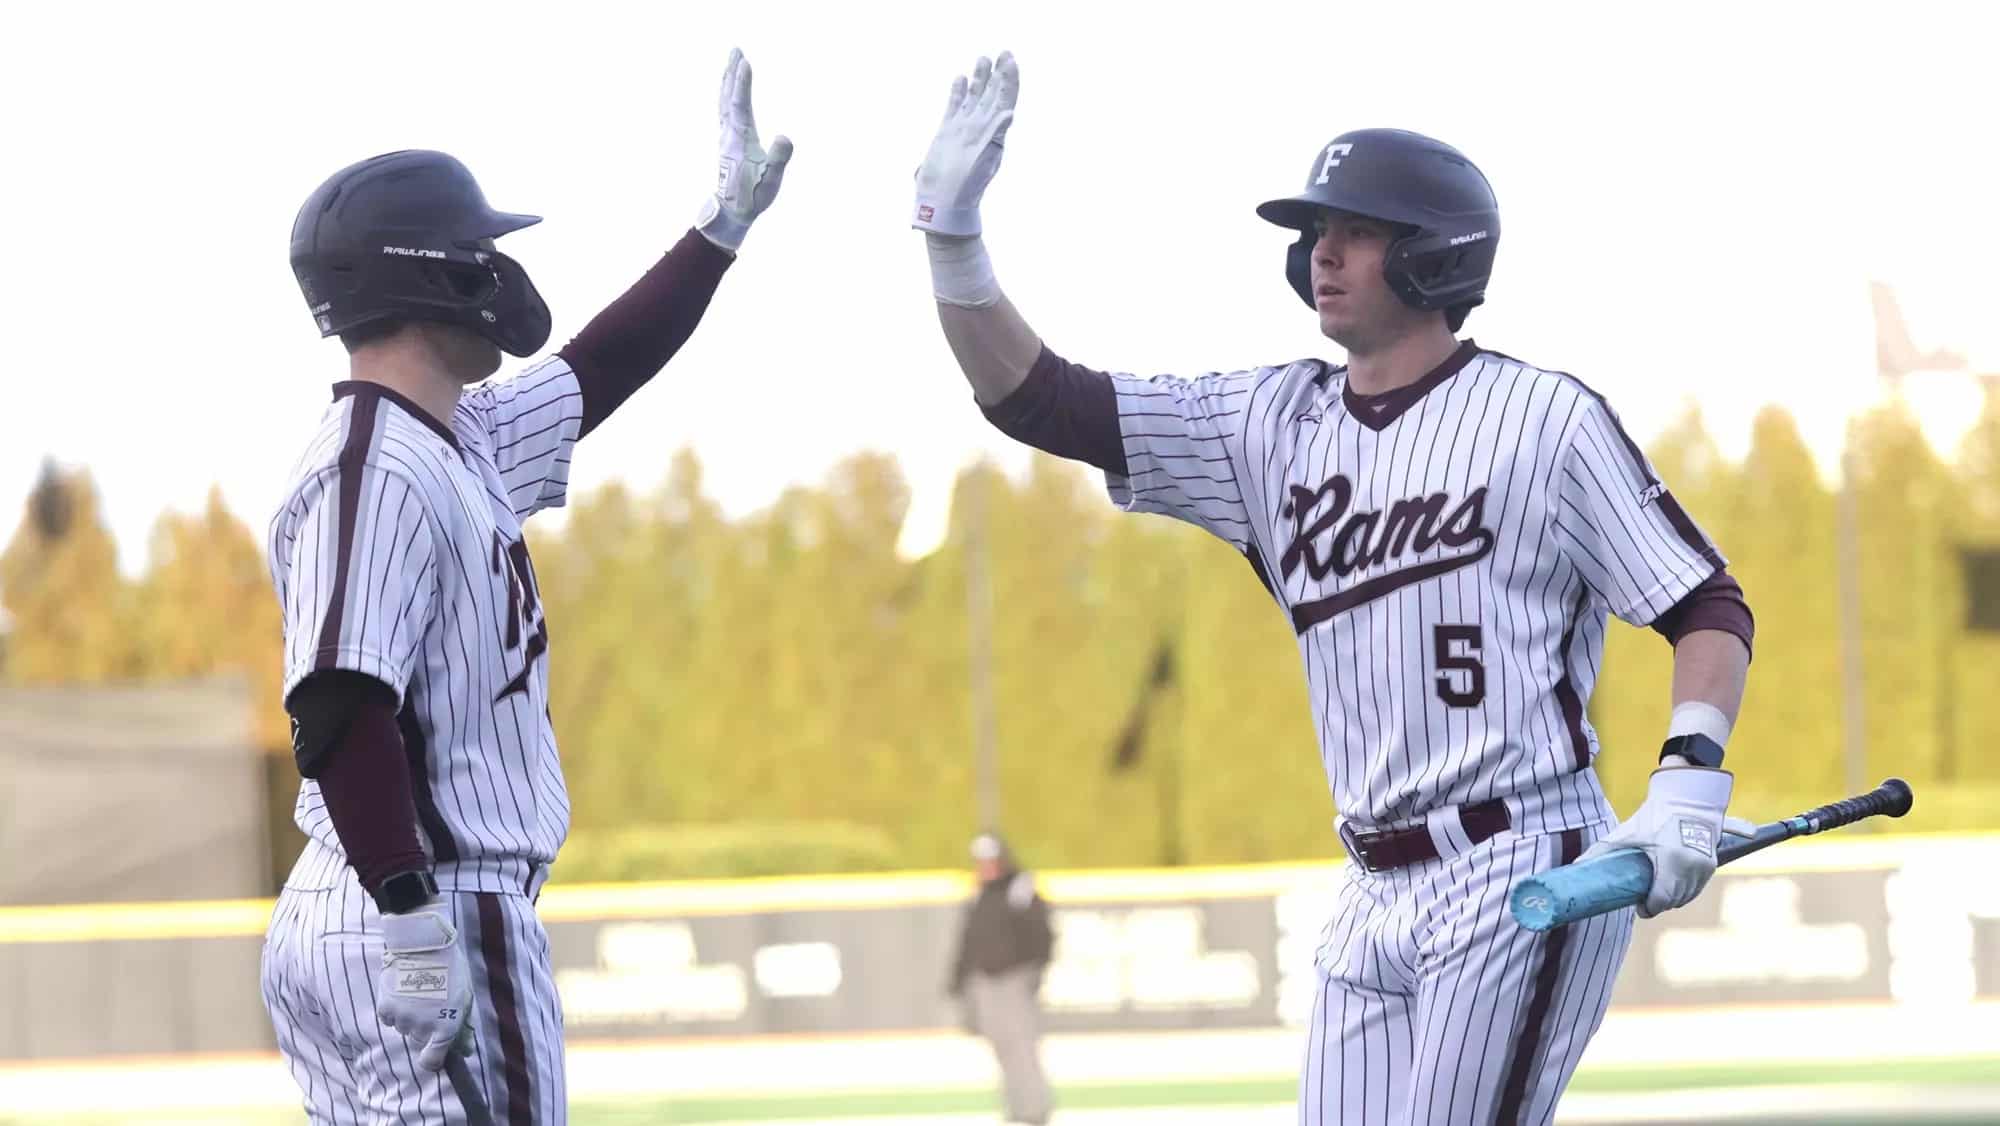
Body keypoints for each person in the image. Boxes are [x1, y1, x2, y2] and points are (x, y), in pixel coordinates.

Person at [911, 54, 1757, 1125]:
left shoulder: (1543, 419)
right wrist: (953, 244)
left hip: (1520, 855)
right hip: (1369, 883)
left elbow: (1703, 603)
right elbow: (1040, 403)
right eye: (1315, 232)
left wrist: (1687, 772)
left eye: (1355, 230)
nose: (1322, 251)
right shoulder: (1266, 426)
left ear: (1432, 254)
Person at [258, 50, 791, 1124]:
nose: (491, 271)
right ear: (421, 272)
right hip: (426, 894)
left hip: (377, 894)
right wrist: (410, 914)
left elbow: (597, 367)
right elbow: (338, 700)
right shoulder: (377, 460)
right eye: (474, 252)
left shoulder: (454, 433)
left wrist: (716, 232)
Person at [947, 832, 1055, 1126]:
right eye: (981, 861)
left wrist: (1034, 973)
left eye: (991, 860)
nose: (985, 866)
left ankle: (1035, 1111)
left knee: (1022, 1048)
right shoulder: (979, 893)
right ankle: (1016, 1110)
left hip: (1013, 981)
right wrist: (958, 980)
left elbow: (1042, 934)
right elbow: (968, 940)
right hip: (984, 983)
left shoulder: (1019, 889)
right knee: (1002, 1049)